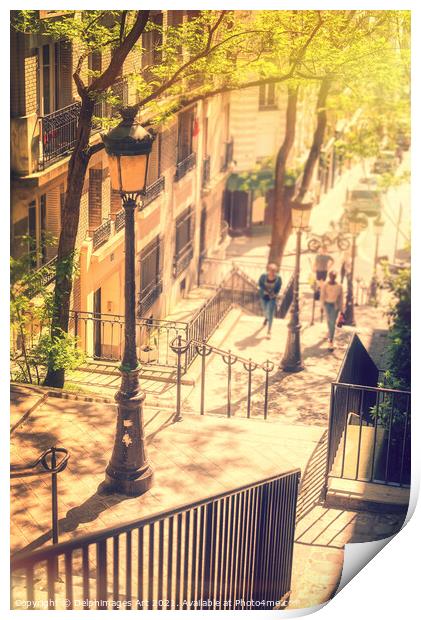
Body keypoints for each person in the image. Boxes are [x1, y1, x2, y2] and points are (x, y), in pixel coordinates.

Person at [320, 270, 343, 351]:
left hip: (335, 306)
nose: (332, 278)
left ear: (335, 277)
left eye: (334, 276)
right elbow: (322, 295)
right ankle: (330, 333)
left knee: (332, 322)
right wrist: (321, 307)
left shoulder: (339, 286)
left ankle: (331, 341)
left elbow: (341, 297)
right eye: (331, 276)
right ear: (329, 276)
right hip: (327, 305)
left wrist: (341, 309)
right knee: (329, 320)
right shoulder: (325, 285)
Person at [258, 263, 282, 337]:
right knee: (265, 310)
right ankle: (266, 318)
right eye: (271, 270)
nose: (272, 272)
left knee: (271, 313)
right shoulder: (263, 276)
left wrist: (275, 294)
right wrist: (264, 290)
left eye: (274, 271)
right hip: (264, 296)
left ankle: (269, 330)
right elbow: (260, 283)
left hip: (272, 297)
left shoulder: (278, 278)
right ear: (268, 270)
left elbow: (278, 287)